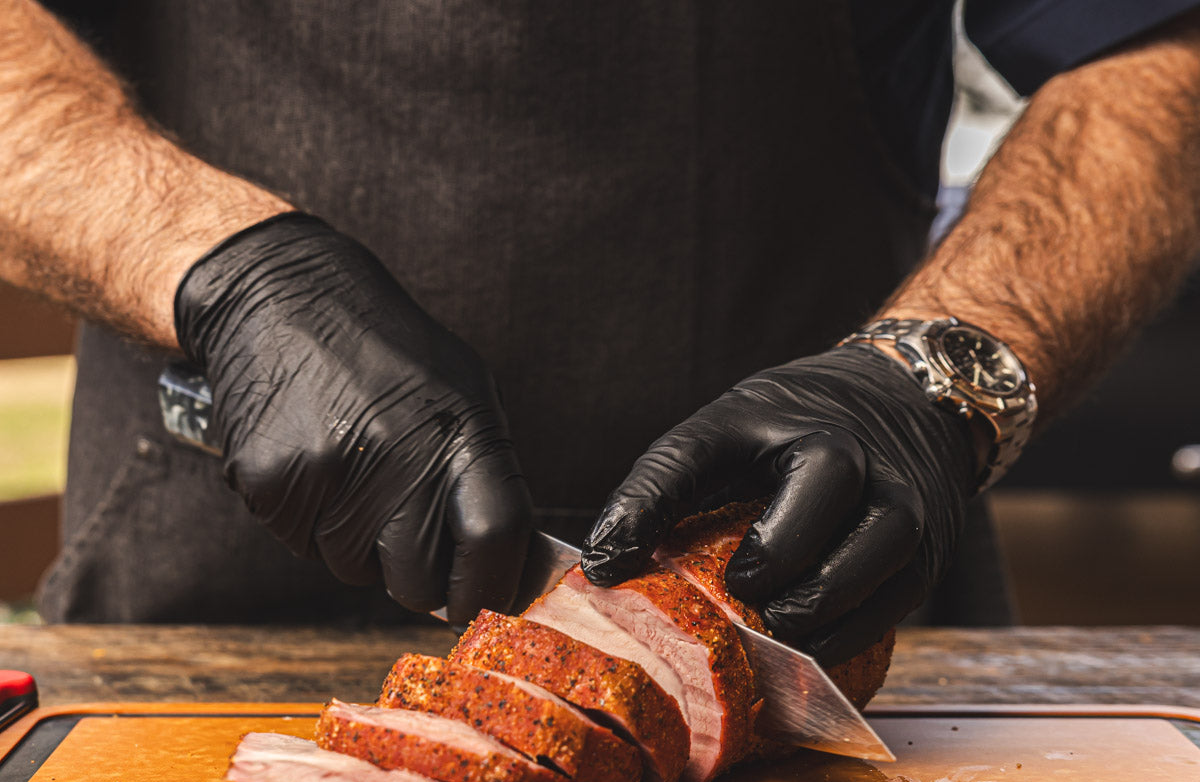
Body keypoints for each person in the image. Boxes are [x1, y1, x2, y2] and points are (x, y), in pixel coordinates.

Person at [4, 1, 1200, 664]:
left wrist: (933, 379)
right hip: (210, 591)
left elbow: (1154, 48)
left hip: (822, 586)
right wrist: (227, 272)